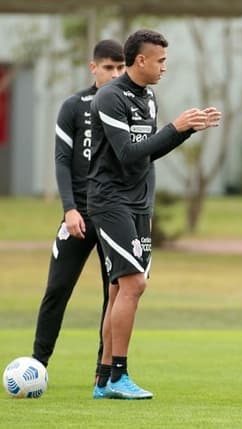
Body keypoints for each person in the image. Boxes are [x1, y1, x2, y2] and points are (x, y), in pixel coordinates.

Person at [88, 28, 222, 400]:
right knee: (134, 284)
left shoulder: (148, 98)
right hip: (110, 200)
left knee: (119, 288)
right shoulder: (109, 97)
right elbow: (127, 153)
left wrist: (184, 131)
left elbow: (148, 152)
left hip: (138, 203)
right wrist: (174, 128)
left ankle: (102, 380)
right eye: (160, 60)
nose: (165, 67)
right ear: (141, 60)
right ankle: (119, 376)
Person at [31, 40, 125, 380]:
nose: (115, 74)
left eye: (120, 68)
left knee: (113, 294)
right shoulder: (74, 106)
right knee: (57, 288)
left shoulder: (131, 106)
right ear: (93, 68)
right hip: (79, 216)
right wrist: (70, 209)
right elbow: (61, 161)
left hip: (114, 215)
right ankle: (37, 365)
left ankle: (106, 372)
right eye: (108, 68)